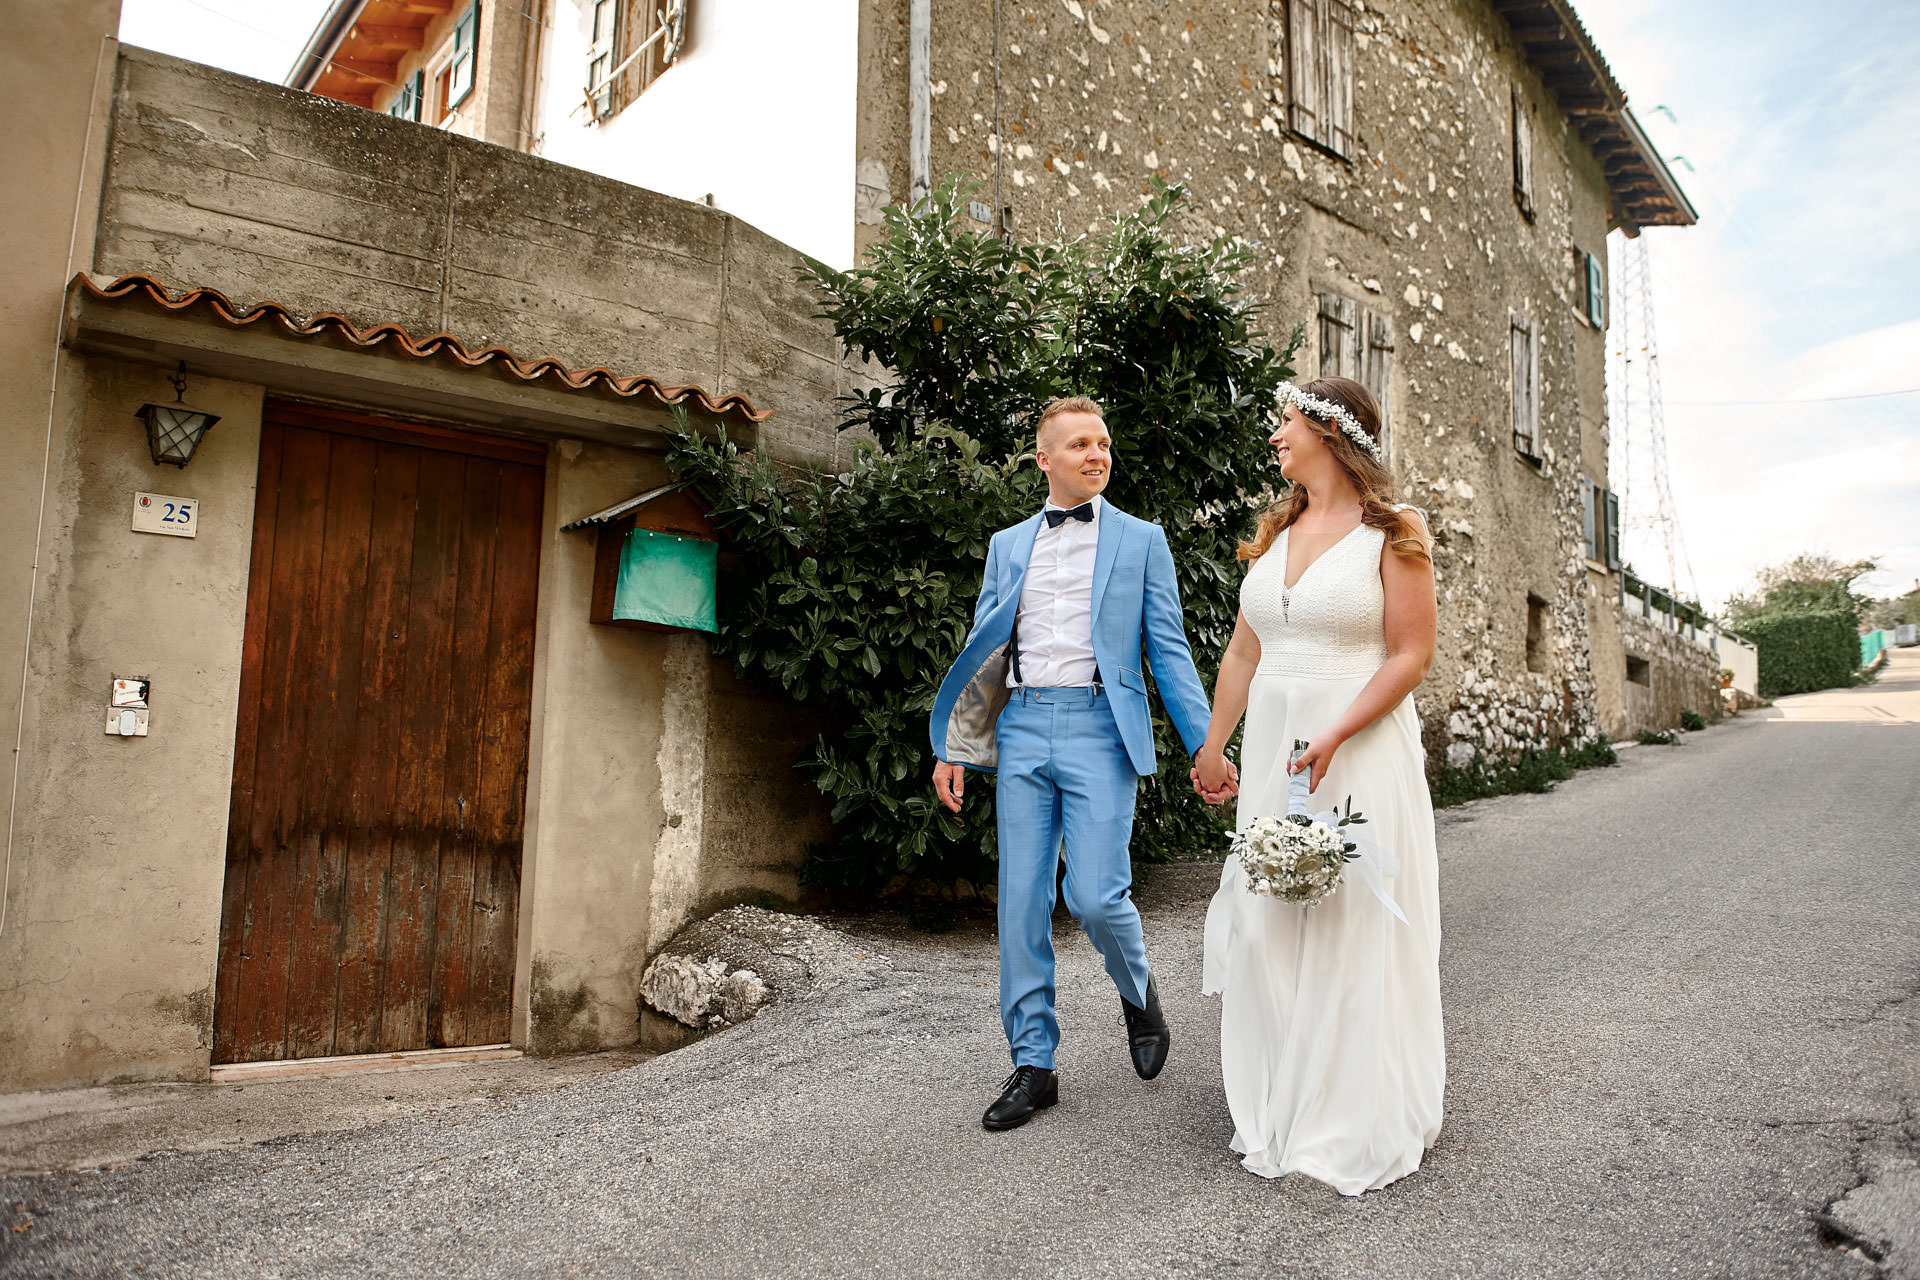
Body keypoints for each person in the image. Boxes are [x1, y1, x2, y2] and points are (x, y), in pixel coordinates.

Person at [929, 396, 1226, 1131]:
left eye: (1103, 443)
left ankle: (1137, 990)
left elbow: (1169, 649)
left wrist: (1205, 745)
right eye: (1080, 445)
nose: (1097, 455)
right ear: (1044, 460)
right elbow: (984, 652)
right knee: (1021, 902)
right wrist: (954, 745)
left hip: (1101, 726)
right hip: (1025, 726)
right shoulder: (1007, 544)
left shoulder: (1142, 539)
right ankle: (1034, 1063)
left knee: (1095, 895)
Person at [1190, 376, 1445, 1195]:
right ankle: (1279, 1095)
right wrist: (1212, 744)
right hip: (1273, 747)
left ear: (1331, 435)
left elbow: (1410, 653)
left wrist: (1338, 729)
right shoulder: (1277, 530)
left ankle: (1343, 1112)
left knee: (1343, 917)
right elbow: (1243, 652)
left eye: (1287, 423)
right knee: (1270, 912)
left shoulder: (1395, 533)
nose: (1275, 438)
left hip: (1355, 744)